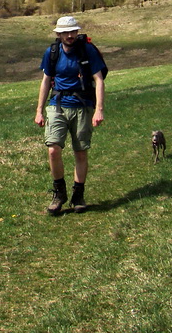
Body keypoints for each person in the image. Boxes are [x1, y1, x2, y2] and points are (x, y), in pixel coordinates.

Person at [34, 16, 106, 215]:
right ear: (59, 34)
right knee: (53, 150)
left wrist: (99, 109)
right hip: (57, 105)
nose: (70, 35)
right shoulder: (53, 52)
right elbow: (46, 80)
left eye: (73, 31)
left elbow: (98, 80)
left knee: (80, 151)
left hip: (82, 107)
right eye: (66, 32)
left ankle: (78, 195)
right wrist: (39, 110)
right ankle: (59, 193)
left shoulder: (87, 50)